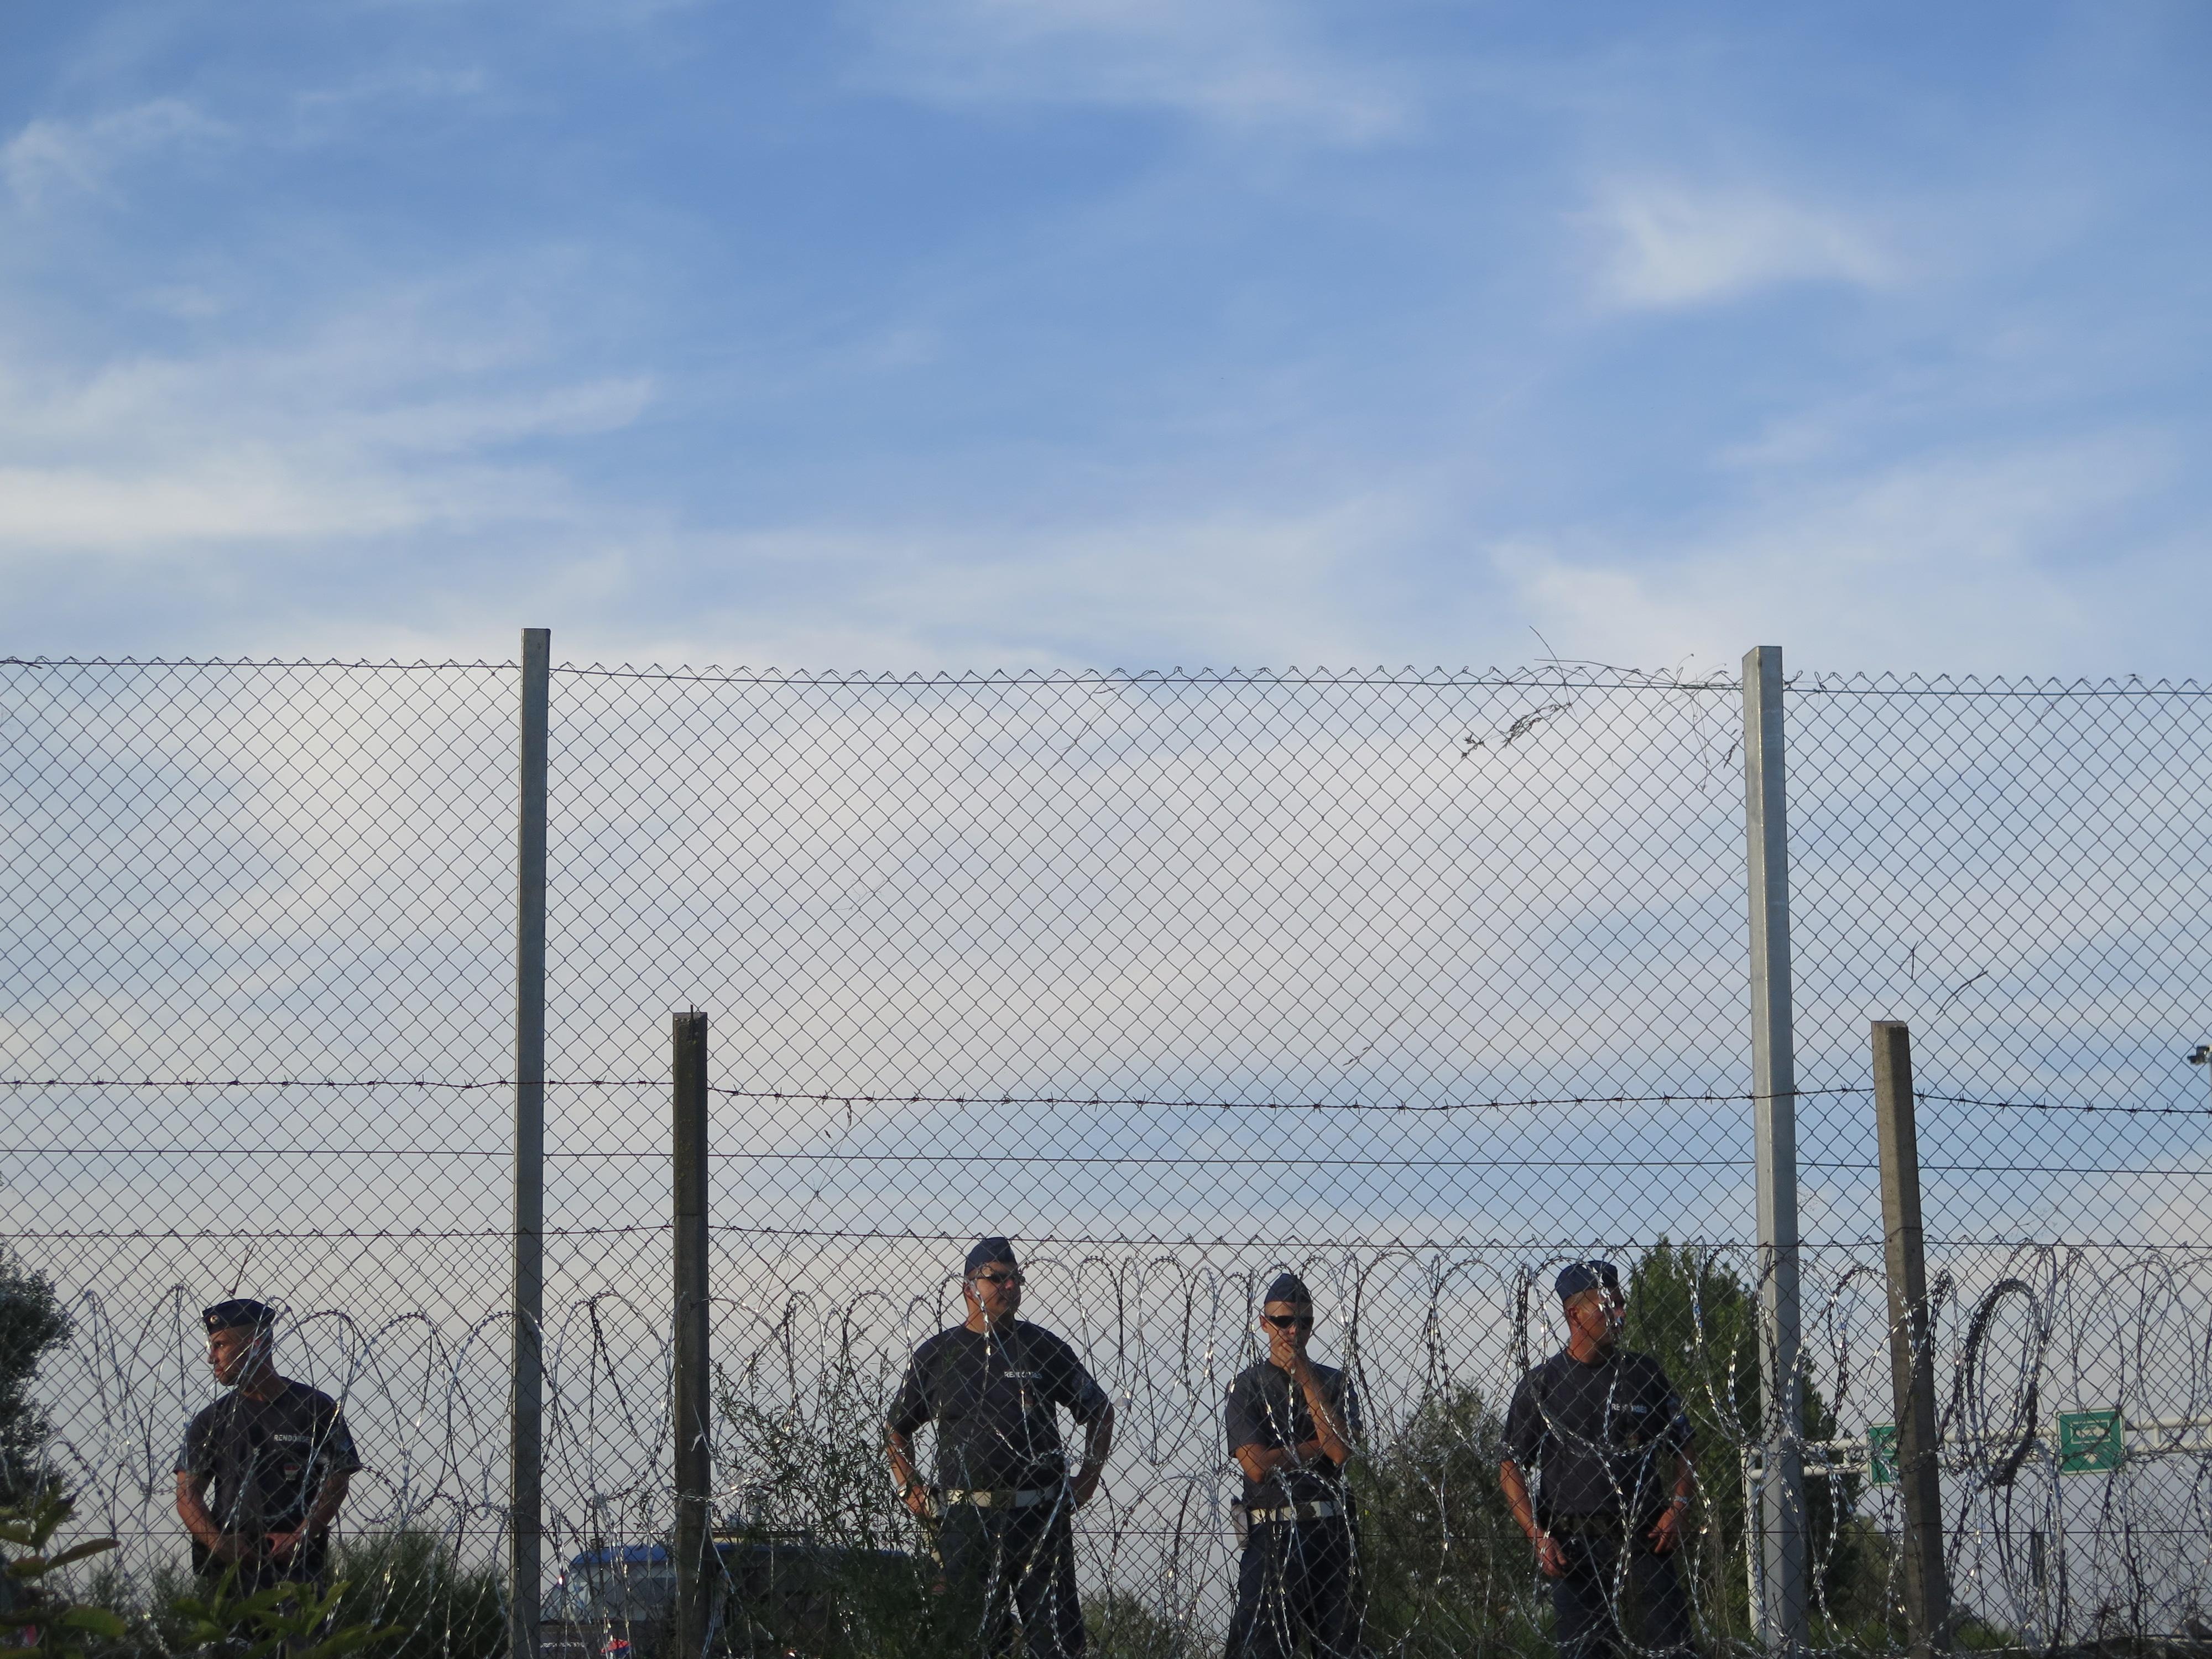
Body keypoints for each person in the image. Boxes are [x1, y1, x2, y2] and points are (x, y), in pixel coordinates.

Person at [886, 1238, 1115, 1657]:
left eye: (1016, 1279)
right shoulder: (940, 1354)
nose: (1010, 1288)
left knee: (1058, 1642)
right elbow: (897, 1429)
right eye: (998, 1278)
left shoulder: (1044, 1348)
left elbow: (1099, 1411)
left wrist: (1089, 1477)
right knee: (969, 1640)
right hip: (966, 1519)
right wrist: (910, 1487)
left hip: (1038, 1517)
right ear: (969, 1286)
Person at [1500, 1261, 1696, 1659]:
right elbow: (1510, 1464)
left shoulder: (1644, 1373)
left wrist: (1679, 1506)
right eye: (1609, 1307)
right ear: (1575, 1314)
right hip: (1575, 1549)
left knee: (1673, 1650)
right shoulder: (1542, 1385)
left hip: (1645, 1542)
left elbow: (1685, 1446)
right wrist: (1535, 1535)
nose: (1621, 1314)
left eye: (1622, 1304)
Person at [174, 1300, 361, 1597]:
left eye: (221, 1345)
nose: (212, 1358)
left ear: (256, 1344)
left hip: (297, 1571)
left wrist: (300, 1537)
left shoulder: (315, 1408)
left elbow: (338, 1479)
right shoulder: (211, 1420)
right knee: (229, 1643)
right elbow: (187, 1493)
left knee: (299, 1641)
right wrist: (218, 1543)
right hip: (230, 1575)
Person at [1222, 1272, 1361, 1659]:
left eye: (1303, 1322)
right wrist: (1315, 1446)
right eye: (1283, 1321)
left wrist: (1305, 1378)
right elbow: (1255, 1465)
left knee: (1340, 1647)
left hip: (1331, 1531)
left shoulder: (1333, 1383)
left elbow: (1341, 1452)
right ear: (1265, 1325)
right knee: (1261, 1648)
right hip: (1271, 1531)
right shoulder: (1247, 1386)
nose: (1293, 1331)